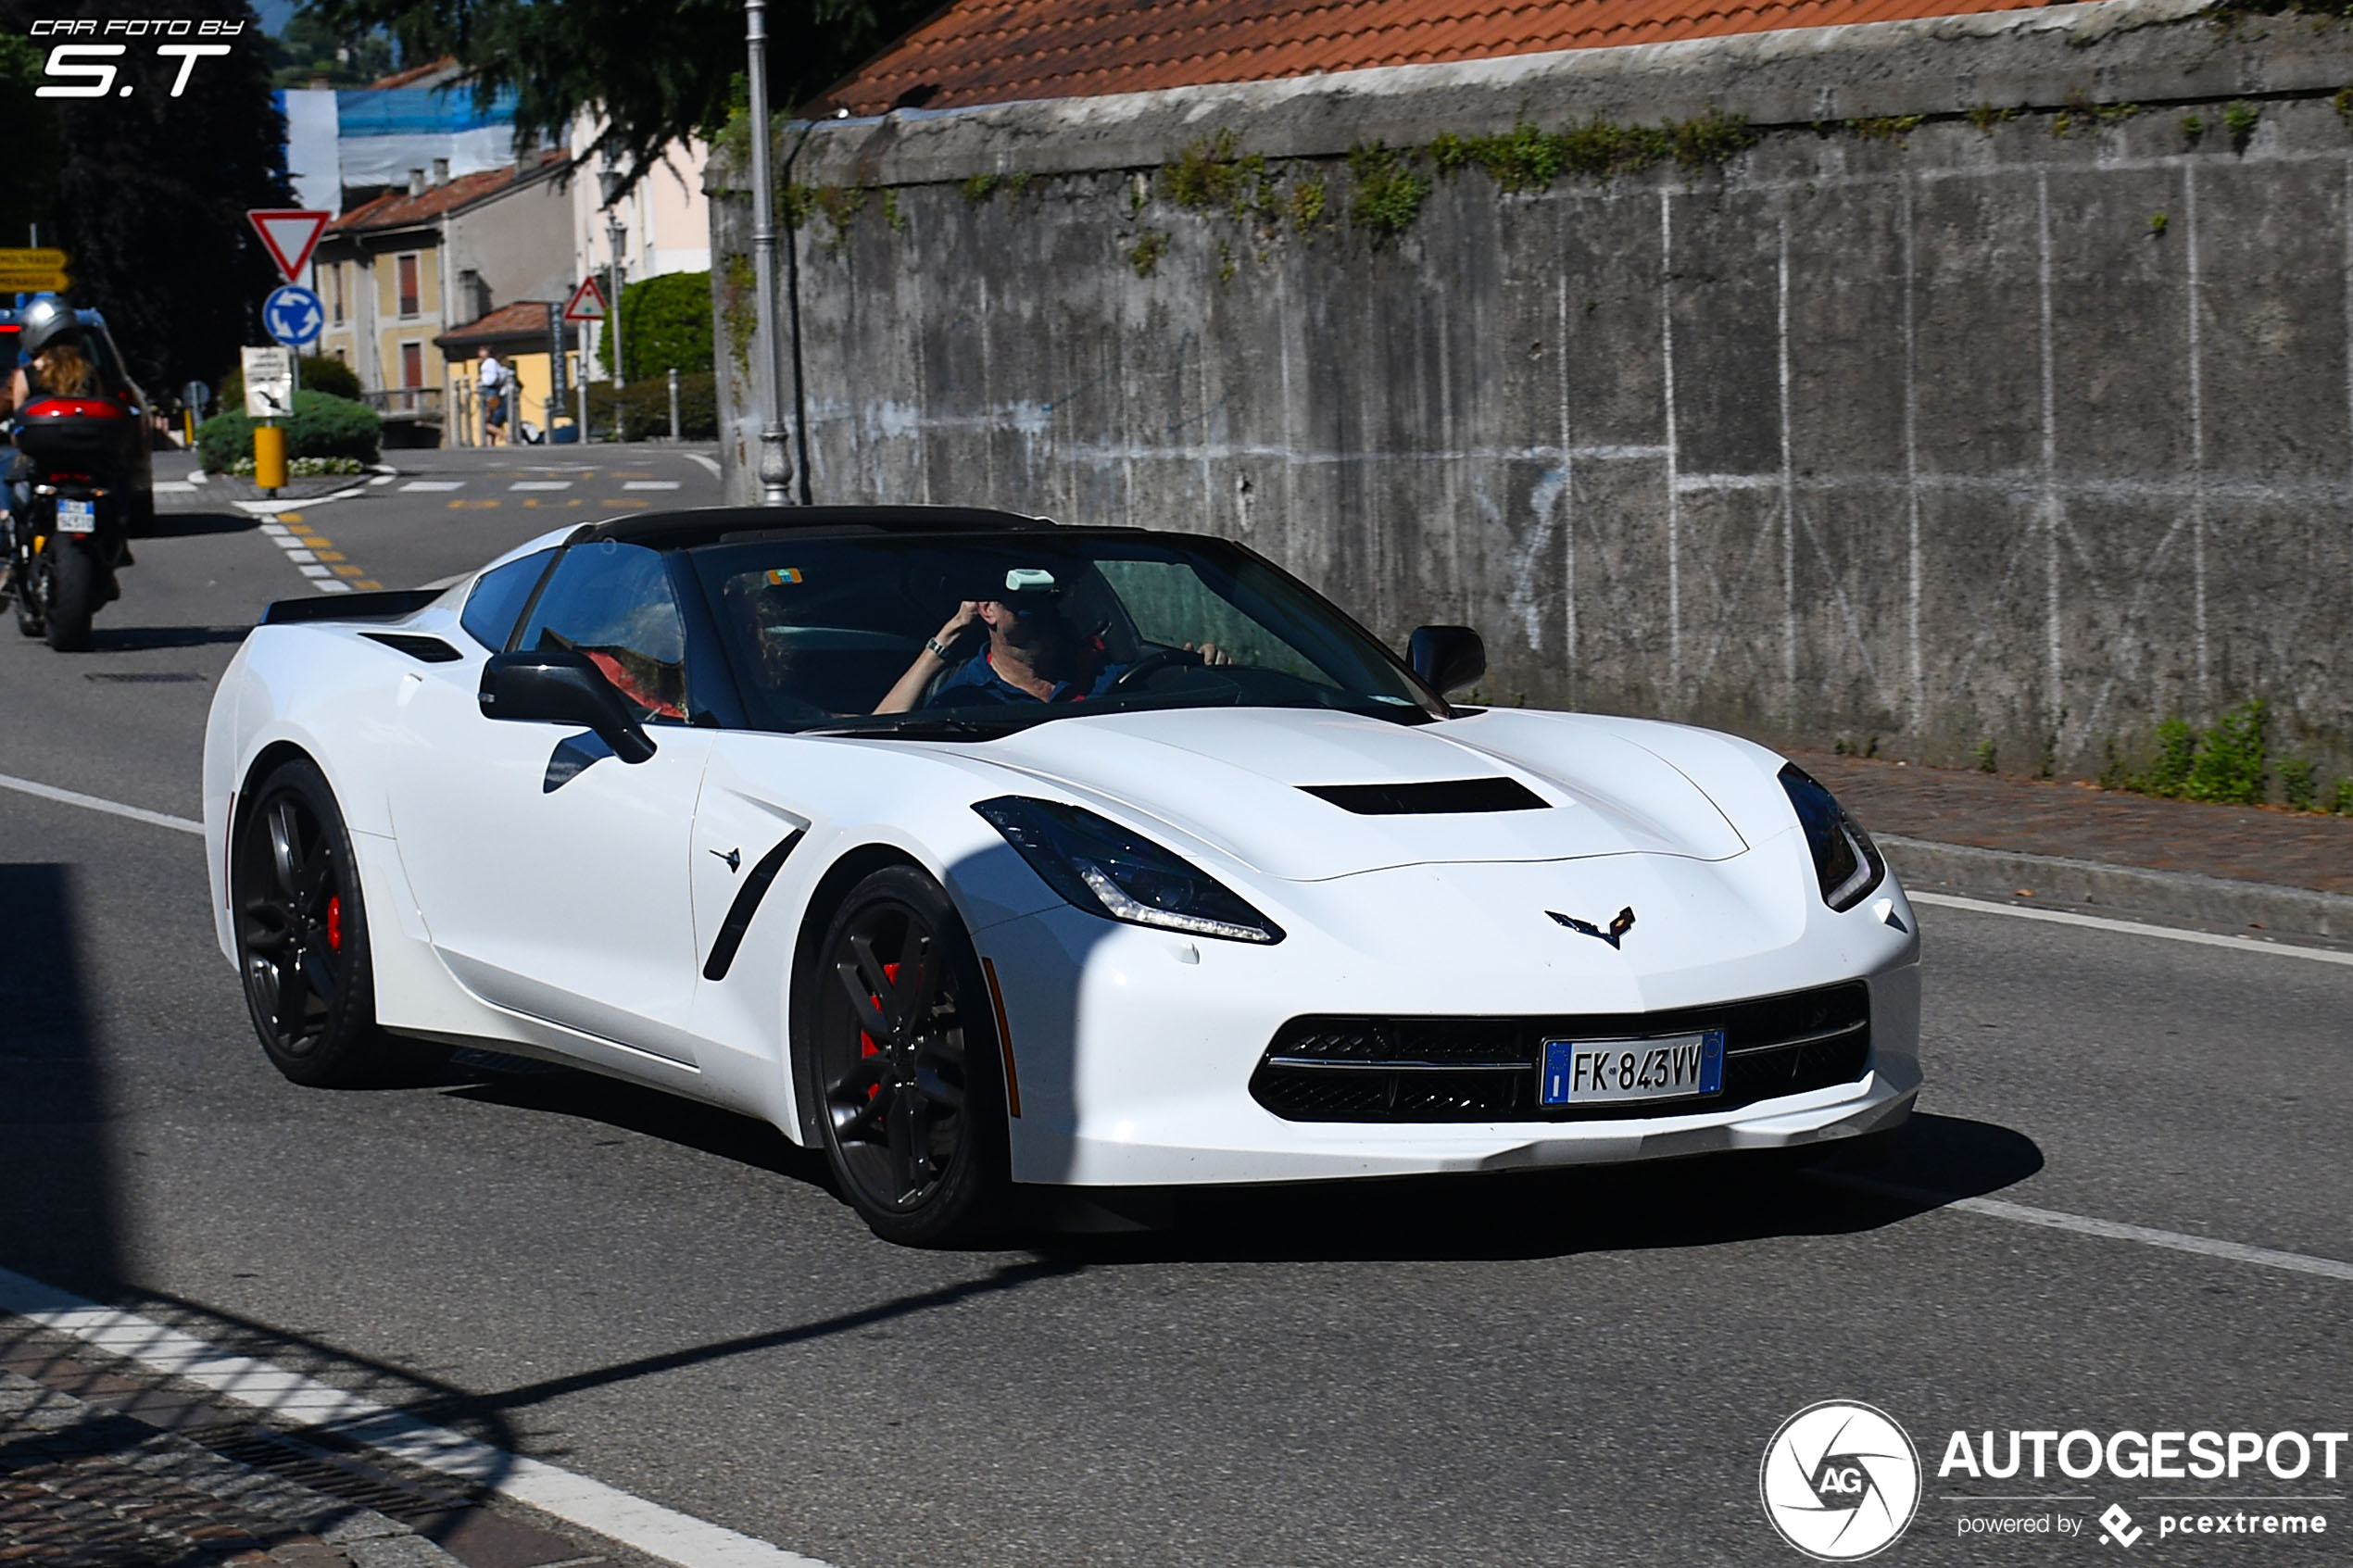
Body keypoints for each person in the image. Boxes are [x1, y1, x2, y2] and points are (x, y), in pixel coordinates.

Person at [875, 572, 1224, 714]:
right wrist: (949, 634)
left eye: (1052, 600)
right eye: (1026, 604)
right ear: (987, 610)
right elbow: (876, 743)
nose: (1044, 614)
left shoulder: (1108, 673)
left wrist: (1201, 674)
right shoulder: (965, 699)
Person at [0, 299, 103, 594]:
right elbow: (102, 408)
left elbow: (18, 425)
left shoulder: (26, 375)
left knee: (7, 480)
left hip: (41, 463)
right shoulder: (90, 372)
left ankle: (10, 554)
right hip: (86, 462)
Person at [476, 346, 508, 446]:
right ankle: (490, 443)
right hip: (491, 392)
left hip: (490, 392)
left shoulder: (490, 362)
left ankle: (503, 434)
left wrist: (482, 380)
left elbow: (491, 379)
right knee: (490, 421)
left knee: (485, 421)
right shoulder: (491, 363)